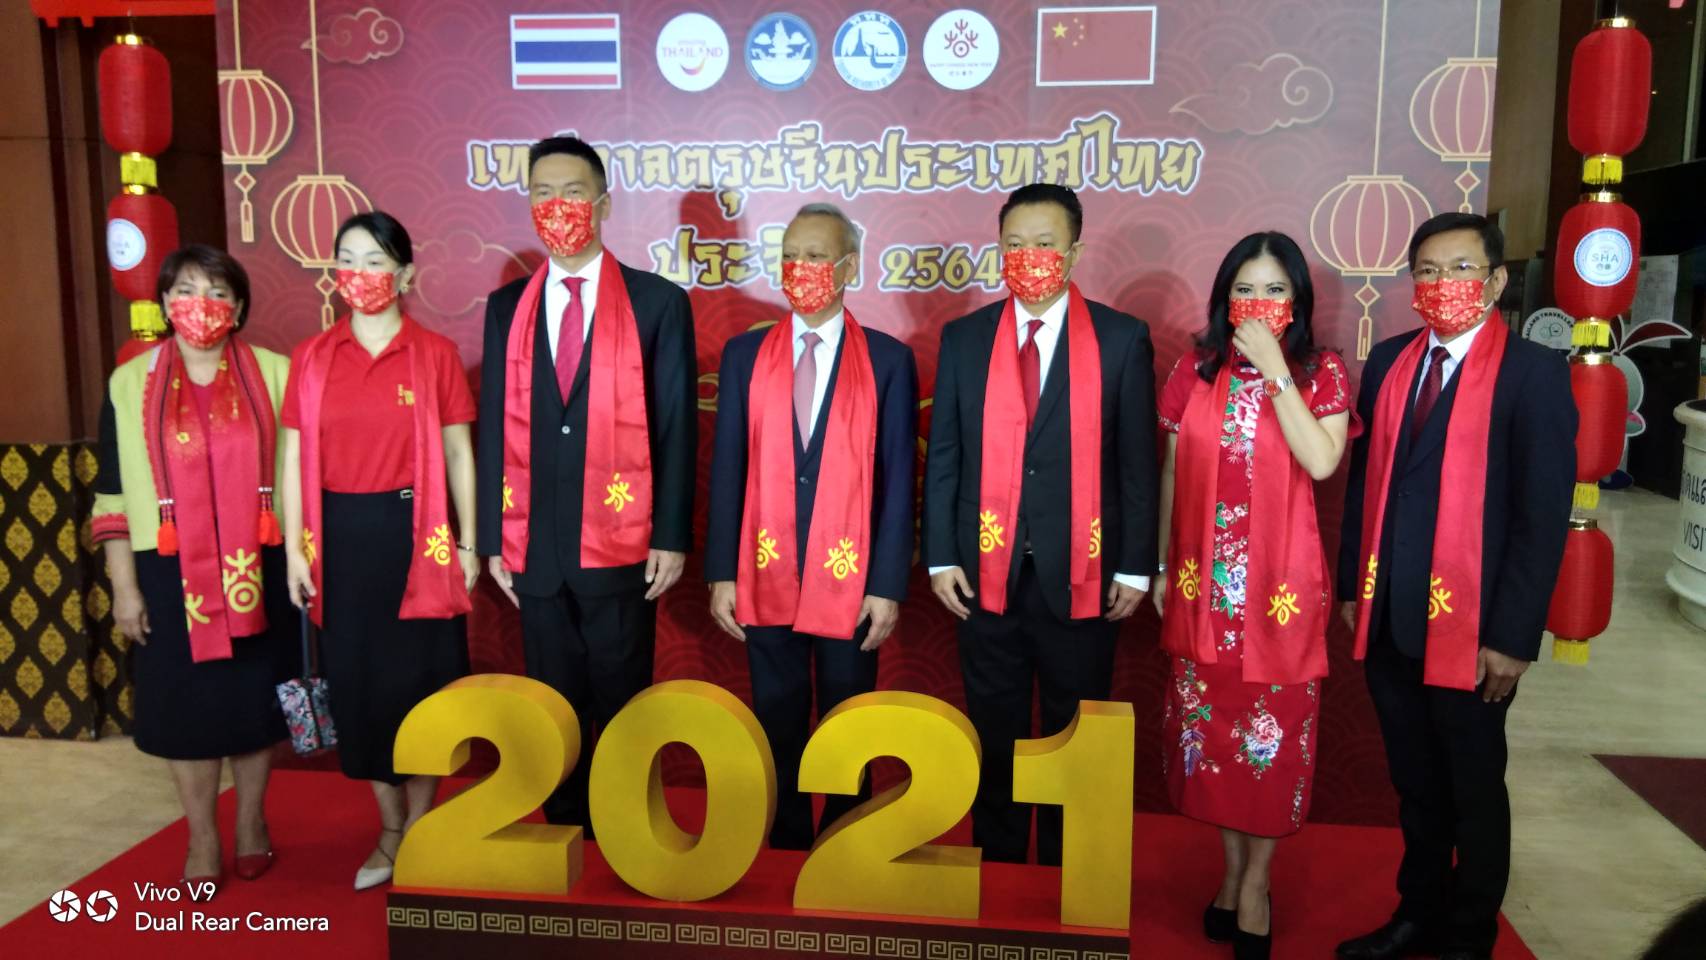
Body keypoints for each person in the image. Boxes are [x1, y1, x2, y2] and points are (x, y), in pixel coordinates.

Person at [1335, 212, 1575, 960]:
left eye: (1463, 269)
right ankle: (1417, 914)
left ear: (1497, 281)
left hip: (1475, 633)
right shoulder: (1391, 362)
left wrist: (1513, 637)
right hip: (1390, 615)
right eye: (1429, 271)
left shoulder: (1534, 373)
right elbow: (1365, 487)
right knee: (1414, 785)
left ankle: (1469, 936)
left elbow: (1541, 517)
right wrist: (1352, 588)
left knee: (1473, 789)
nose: (1445, 284)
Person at [922, 182, 1158, 865]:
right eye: (1015, 244)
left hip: (1084, 575)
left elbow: (1137, 464)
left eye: (1046, 243)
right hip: (983, 576)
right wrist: (941, 556)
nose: (1029, 257)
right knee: (993, 731)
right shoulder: (966, 339)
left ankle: (1063, 871)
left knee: (1071, 733)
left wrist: (1135, 567)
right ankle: (998, 869)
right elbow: (945, 457)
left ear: (1075, 252)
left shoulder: (1121, 339)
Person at [476, 136, 697, 828]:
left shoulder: (657, 302)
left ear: (602, 204)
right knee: (554, 700)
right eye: (542, 193)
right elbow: (493, 426)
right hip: (535, 545)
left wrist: (670, 535)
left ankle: (627, 824)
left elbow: (676, 426)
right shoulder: (506, 306)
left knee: (622, 694)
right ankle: (567, 827)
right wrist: (492, 537)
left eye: (572, 192)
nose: (557, 206)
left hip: (622, 543)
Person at [1154, 232, 1354, 960]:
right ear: (1225, 297)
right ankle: (1233, 873)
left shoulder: (1321, 372)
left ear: (1297, 300)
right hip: (1202, 592)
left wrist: (1275, 372)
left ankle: (1258, 886)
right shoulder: (1195, 368)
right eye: (1245, 288)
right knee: (1214, 749)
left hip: (1279, 599)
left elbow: (1322, 460)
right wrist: (1160, 565)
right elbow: (1172, 471)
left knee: (1267, 750)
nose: (1258, 301)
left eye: (1274, 289)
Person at [705, 203, 919, 850]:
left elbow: (899, 478)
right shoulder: (745, 356)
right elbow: (728, 468)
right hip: (763, 567)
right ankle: (785, 838)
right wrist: (721, 572)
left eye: (817, 257)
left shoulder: (887, 360)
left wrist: (887, 584)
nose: (801, 269)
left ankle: (846, 840)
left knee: (847, 717)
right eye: (791, 256)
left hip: (850, 577)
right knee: (776, 712)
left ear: (849, 267)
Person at [280, 211, 478, 891]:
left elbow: (459, 452)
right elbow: (292, 459)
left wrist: (469, 541)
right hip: (338, 541)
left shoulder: (435, 354)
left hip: (418, 535)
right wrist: (294, 551)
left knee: (420, 685)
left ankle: (422, 825)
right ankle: (390, 829)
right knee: (359, 686)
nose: (359, 273)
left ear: (405, 274)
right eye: (348, 259)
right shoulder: (312, 358)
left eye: (375, 260)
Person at [93, 244, 294, 890]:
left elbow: (299, 476)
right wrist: (125, 587)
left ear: (238, 306)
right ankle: (202, 835)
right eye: (184, 290)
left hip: (257, 567)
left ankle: (252, 821)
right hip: (165, 571)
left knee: (252, 704)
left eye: (216, 292)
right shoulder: (129, 383)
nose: (199, 304)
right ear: (163, 302)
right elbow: (112, 493)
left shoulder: (277, 373)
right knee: (186, 710)